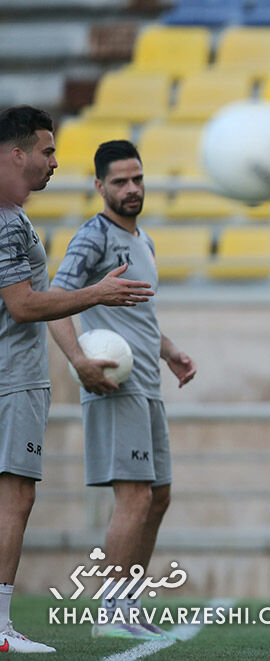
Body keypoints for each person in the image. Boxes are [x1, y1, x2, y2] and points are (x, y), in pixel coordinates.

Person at [0, 108, 153, 653]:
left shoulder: (15, 216)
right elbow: (24, 305)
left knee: (150, 496)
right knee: (15, 499)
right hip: (14, 378)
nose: (52, 161)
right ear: (17, 154)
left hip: (22, 376)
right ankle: (5, 628)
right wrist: (95, 298)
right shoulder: (13, 220)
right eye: (46, 150)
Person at [48, 140, 196, 641]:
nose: (131, 189)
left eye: (137, 179)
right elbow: (56, 300)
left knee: (158, 497)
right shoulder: (93, 238)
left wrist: (169, 350)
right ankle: (110, 612)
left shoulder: (145, 241)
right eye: (119, 182)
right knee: (133, 497)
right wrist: (80, 363)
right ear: (99, 187)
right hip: (114, 385)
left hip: (148, 385)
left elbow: (139, 315)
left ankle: (128, 604)